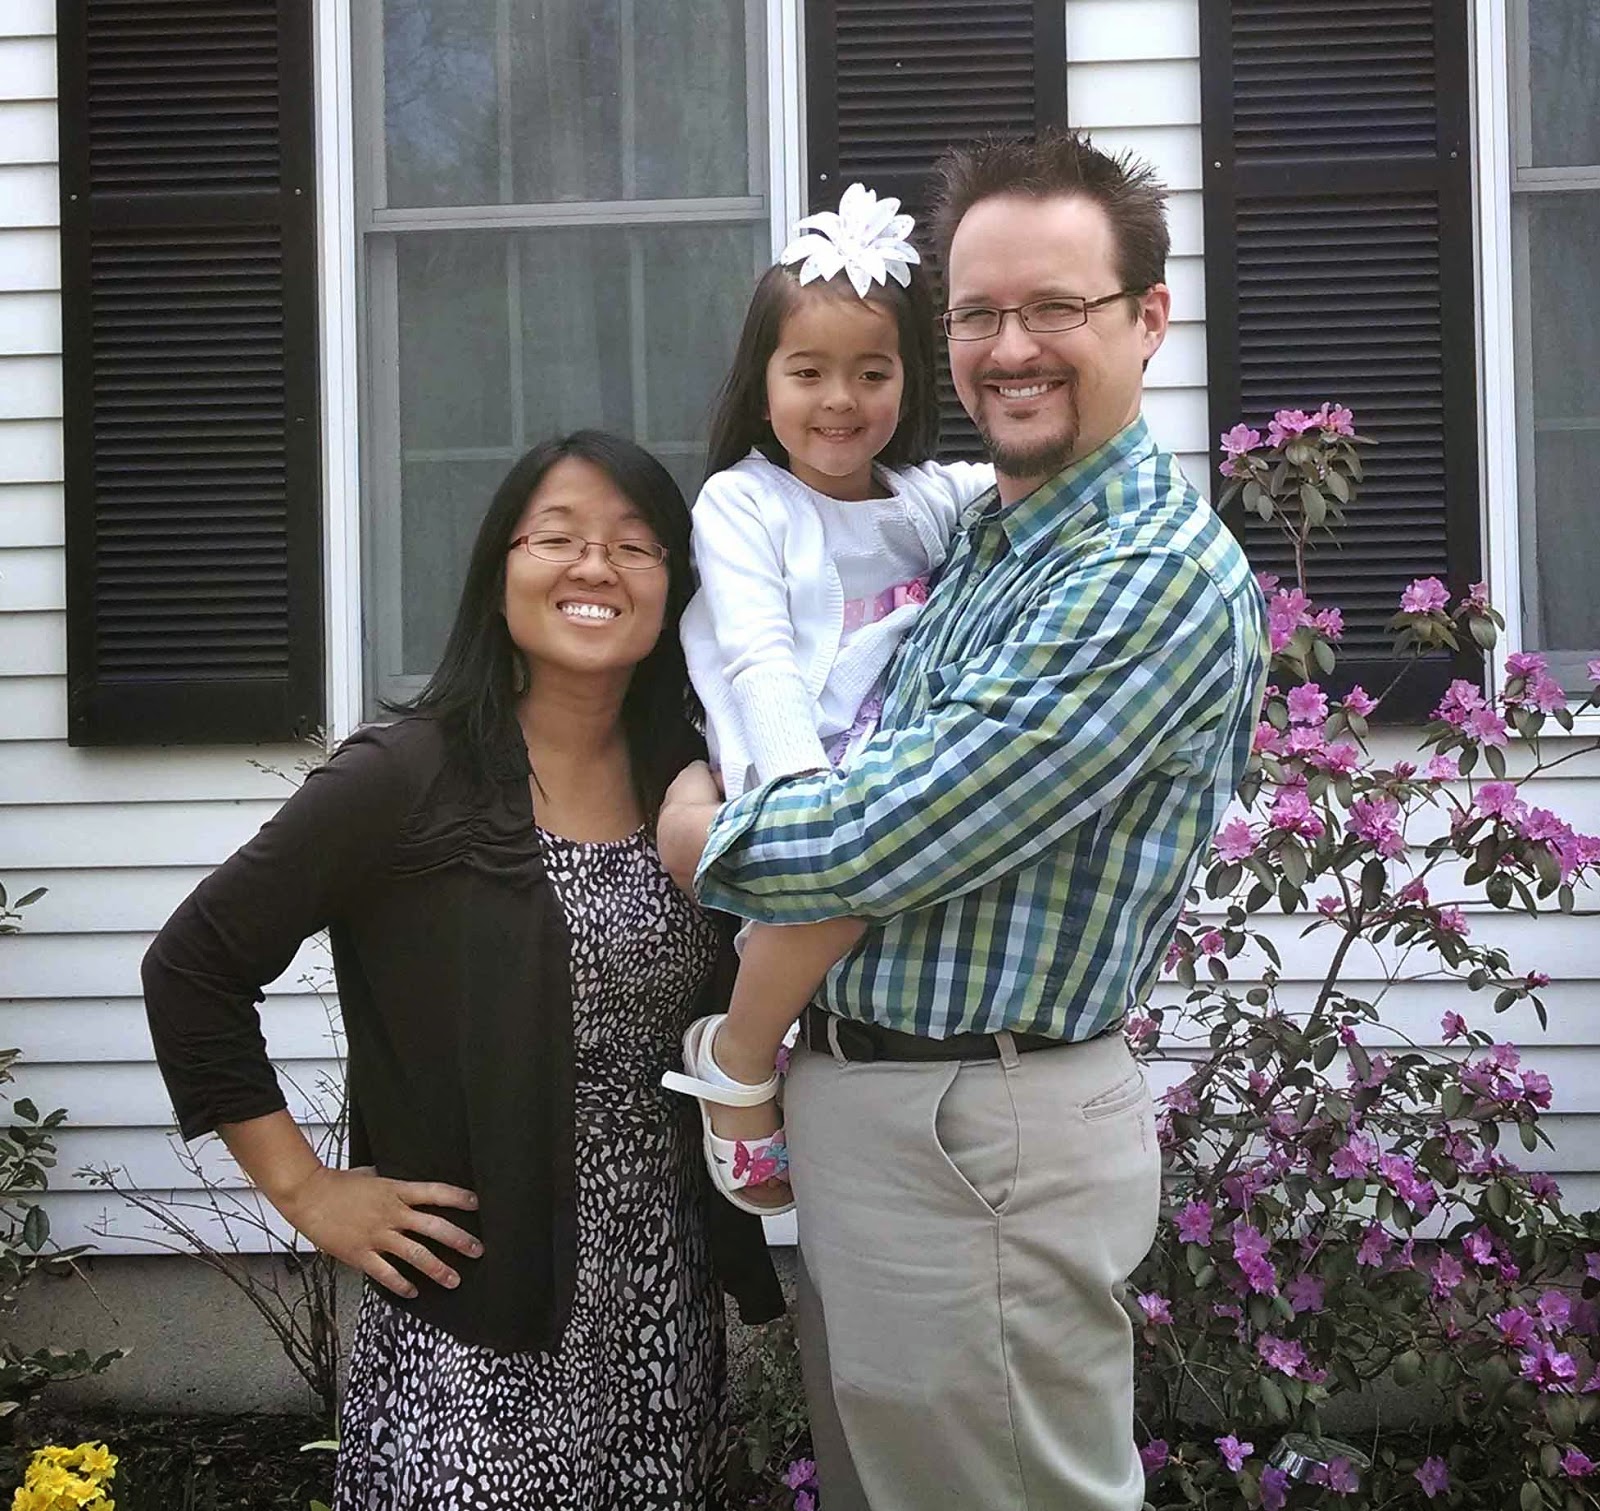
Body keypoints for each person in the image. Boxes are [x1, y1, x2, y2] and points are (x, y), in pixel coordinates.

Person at [659, 130, 1270, 1511]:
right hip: (886, 1107)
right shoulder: (986, 535)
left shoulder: (1143, 576)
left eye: (1055, 306)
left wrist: (696, 831)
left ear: (1148, 318)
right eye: (979, 313)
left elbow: (875, 837)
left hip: (978, 1128)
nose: (1011, 347)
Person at [143, 431, 781, 1511]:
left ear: (676, 589)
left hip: (658, 1289)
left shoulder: (697, 779)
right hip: (476, 1306)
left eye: (635, 545)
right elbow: (193, 964)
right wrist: (306, 1189)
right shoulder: (409, 774)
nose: (596, 567)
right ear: (499, 571)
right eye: (558, 538)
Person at [663, 182, 993, 1214]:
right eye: (807, 372)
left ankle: (778, 1048)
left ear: (908, 382)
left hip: (890, 751)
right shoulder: (744, 500)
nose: (839, 399)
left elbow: (1030, 484)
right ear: (762, 385)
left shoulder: (928, 497)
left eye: (871, 372)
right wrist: (805, 796)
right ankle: (738, 1054)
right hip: (789, 747)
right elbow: (758, 653)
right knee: (845, 882)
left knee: (879, 881)